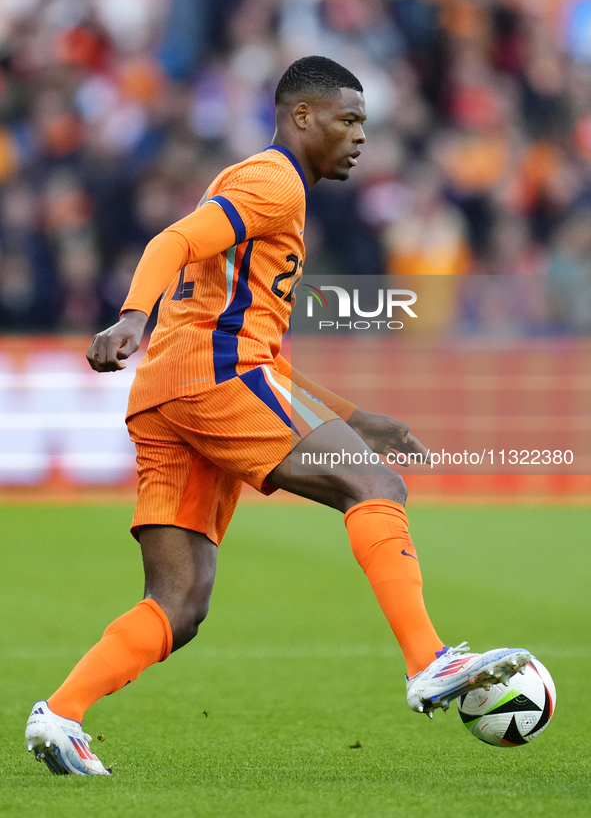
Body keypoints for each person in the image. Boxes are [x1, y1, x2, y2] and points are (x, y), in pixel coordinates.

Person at [25, 56, 529, 776]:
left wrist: (356, 416)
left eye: (364, 123)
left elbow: (254, 342)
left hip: (171, 391)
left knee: (179, 599)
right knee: (376, 487)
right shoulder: (272, 181)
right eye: (347, 120)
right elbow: (172, 241)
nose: (359, 136)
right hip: (212, 376)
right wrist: (132, 314)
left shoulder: (265, 186)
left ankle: (61, 713)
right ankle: (429, 660)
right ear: (301, 116)